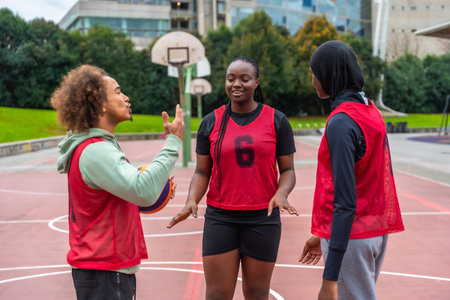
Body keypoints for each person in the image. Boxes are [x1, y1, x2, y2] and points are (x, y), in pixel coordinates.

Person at [167, 56, 298, 299]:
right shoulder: (211, 122)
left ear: (256, 82)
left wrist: (281, 193)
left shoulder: (277, 120)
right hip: (221, 218)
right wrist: (192, 199)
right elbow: (202, 171)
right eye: (230, 79)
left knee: (257, 294)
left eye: (244, 79)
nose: (236, 84)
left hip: (263, 218)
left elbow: (288, 171)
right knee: (217, 294)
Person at [50, 64, 184, 300]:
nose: (126, 97)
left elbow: (123, 194)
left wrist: (156, 179)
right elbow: (143, 191)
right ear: (101, 104)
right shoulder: (96, 151)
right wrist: (172, 143)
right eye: (118, 91)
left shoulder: (95, 147)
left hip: (103, 268)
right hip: (104, 269)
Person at [298, 40, 404, 300]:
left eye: (314, 73)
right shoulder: (370, 110)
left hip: (352, 237)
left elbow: (345, 202)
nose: (312, 80)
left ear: (328, 75)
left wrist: (329, 277)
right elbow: (371, 179)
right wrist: (323, 235)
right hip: (374, 230)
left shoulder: (341, 122)